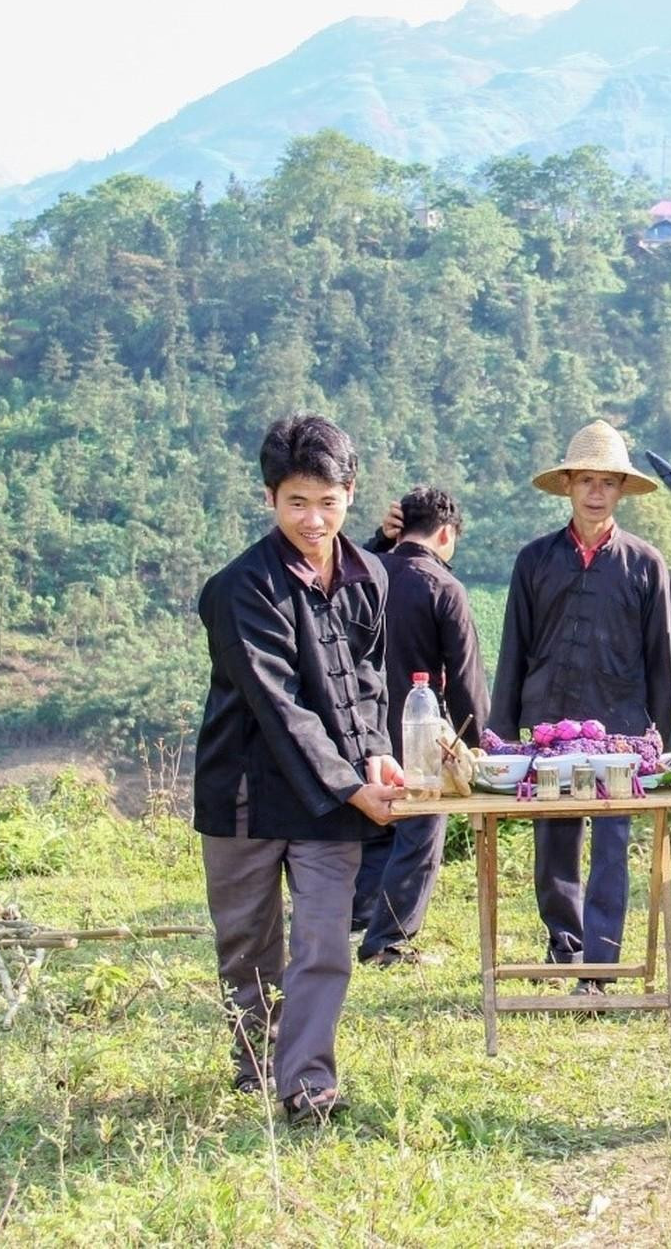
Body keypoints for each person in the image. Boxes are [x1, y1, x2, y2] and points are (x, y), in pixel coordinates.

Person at [192, 414, 404, 1126]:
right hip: (247, 793)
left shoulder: (370, 574)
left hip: (333, 796)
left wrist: (375, 752)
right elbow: (278, 704)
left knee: (322, 941)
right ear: (270, 500)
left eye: (328, 501)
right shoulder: (240, 589)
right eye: (296, 503)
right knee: (248, 946)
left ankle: (307, 1085)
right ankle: (254, 1061)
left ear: (352, 493)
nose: (314, 520)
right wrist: (352, 784)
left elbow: (371, 678)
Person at [491, 420, 671, 996]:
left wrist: (666, 741)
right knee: (555, 842)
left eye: (608, 482)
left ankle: (599, 965)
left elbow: (658, 661)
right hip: (549, 725)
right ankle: (564, 944)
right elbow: (513, 648)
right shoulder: (535, 560)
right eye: (586, 480)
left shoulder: (646, 565)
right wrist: (498, 734)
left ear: (621, 491)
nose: (596, 492)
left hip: (620, 733)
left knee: (613, 847)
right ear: (568, 485)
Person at [353, 485, 489, 968]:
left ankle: (357, 922)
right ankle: (387, 941)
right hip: (417, 728)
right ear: (447, 533)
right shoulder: (443, 587)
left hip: (360, 725)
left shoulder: (368, 572)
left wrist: (375, 541)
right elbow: (465, 677)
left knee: (377, 826)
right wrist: (481, 745)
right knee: (421, 831)